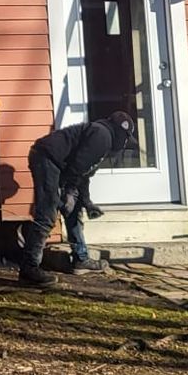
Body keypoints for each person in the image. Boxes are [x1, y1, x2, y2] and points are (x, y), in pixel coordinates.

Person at [19, 111, 134, 287]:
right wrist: (66, 190)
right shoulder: (101, 135)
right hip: (47, 159)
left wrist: (86, 202)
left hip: (58, 164)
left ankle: (81, 258)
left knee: (73, 207)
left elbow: (84, 174)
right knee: (47, 214)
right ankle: (29, 269)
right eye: (126, 139)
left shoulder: (102, 140)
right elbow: (77, 168)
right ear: (121, 134)